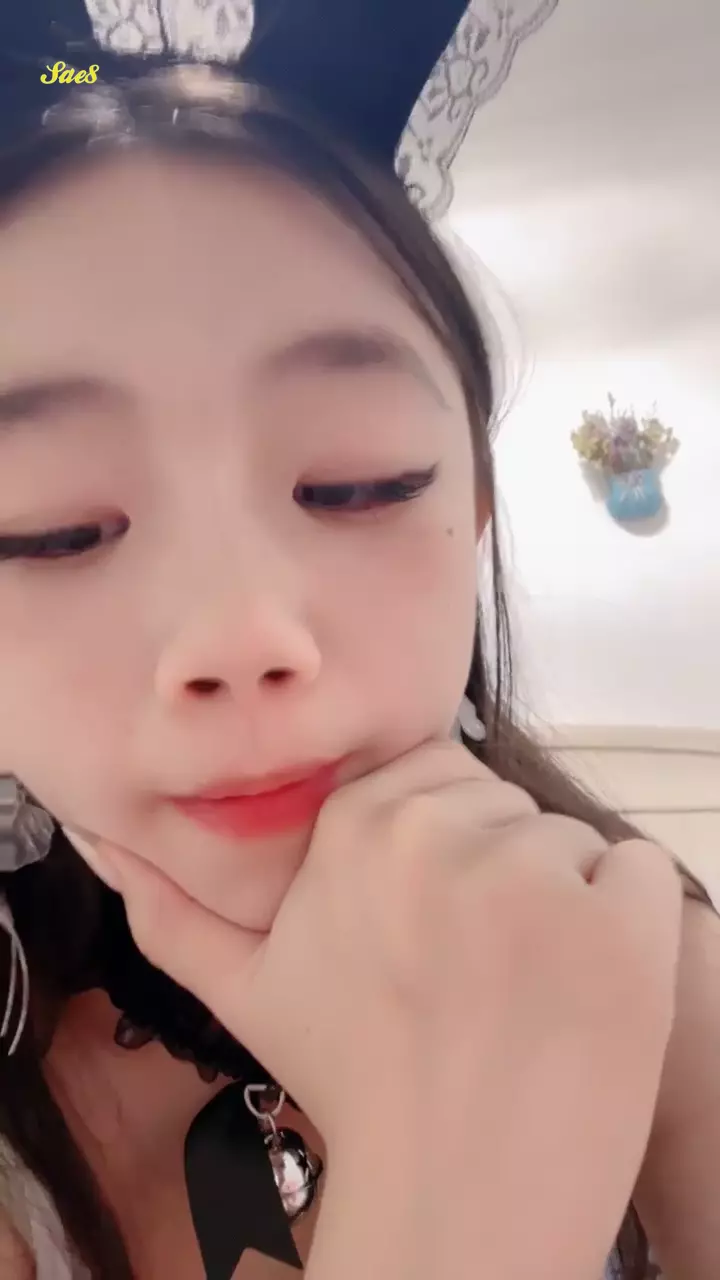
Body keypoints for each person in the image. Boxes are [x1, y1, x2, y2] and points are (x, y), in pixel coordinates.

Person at [0, 53, 718, 1280]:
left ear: (473, 513)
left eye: (357, 482)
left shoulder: (657, 976)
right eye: (52, 527)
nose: (242, 636)